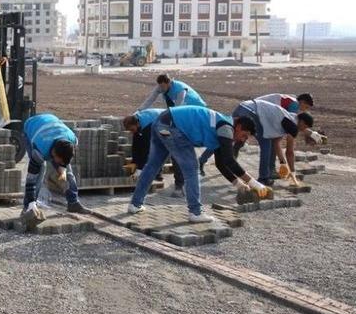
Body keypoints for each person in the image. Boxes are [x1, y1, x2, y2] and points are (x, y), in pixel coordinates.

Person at [128, 106, 268, 222]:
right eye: (244, 135)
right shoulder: (226, 128)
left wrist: (238, 184)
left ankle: (135, 204)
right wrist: (255, 183)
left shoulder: (222, 126)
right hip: (171, 127)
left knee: (153, 165)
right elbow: (229, 160)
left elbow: (220, 162)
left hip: (161, 123)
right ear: (239, 127)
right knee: (192, 168)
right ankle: (195, 212)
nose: (242, 140)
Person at [199, 93, 316, 175]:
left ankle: (204, 160)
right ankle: (265, 175)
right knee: (266, 142)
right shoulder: (294, 107)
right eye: (305, 107)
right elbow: (286, 141)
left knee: (228, 137)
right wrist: (289, 168)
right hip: (254, 112)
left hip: (247, 107)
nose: (304, 110)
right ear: (302, 102)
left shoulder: (289, 100)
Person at [19, 113, 89, 231]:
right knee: (40, 170)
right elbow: (31, 178)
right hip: (31, 128)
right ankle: (29, 207)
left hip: (51, 123)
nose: (59, 163)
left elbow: (65, 162)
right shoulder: (40, 150)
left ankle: (73, 203)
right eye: (59, 161)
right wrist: (31, 202)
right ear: (54, 154)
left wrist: (63, 169)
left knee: (69, 173)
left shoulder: (72, 140)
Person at [229, 99, 314, 185]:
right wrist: (292, 172)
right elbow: (289, 152)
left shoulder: (289, 118)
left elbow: (276, 142)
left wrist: (283, 163)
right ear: (302, 122)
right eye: (305, 127)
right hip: (251, 112)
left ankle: (227, 159)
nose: (303, 130)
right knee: (266, 144)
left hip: (243, 107)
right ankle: (263, 178)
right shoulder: (292, 125)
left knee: (232, 136)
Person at [122, 108, 185, 195]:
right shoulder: (137, 121)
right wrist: (134, 161)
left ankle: (179, 186)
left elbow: (146, 149)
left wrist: (139, 169)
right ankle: (157, 174)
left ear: (137, 124)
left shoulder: (147, 127)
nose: (131, 132)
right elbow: (136, 145)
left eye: (132, 130)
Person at [137, 73, 206, 110]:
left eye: (163, 86)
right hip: (185, 105)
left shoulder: (180, 89)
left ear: (169, 83)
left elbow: (177, 108)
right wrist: (140, 109)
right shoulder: (160, 87)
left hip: (196, 105)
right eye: (160, 86)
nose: (162, 89)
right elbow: (151, 99)